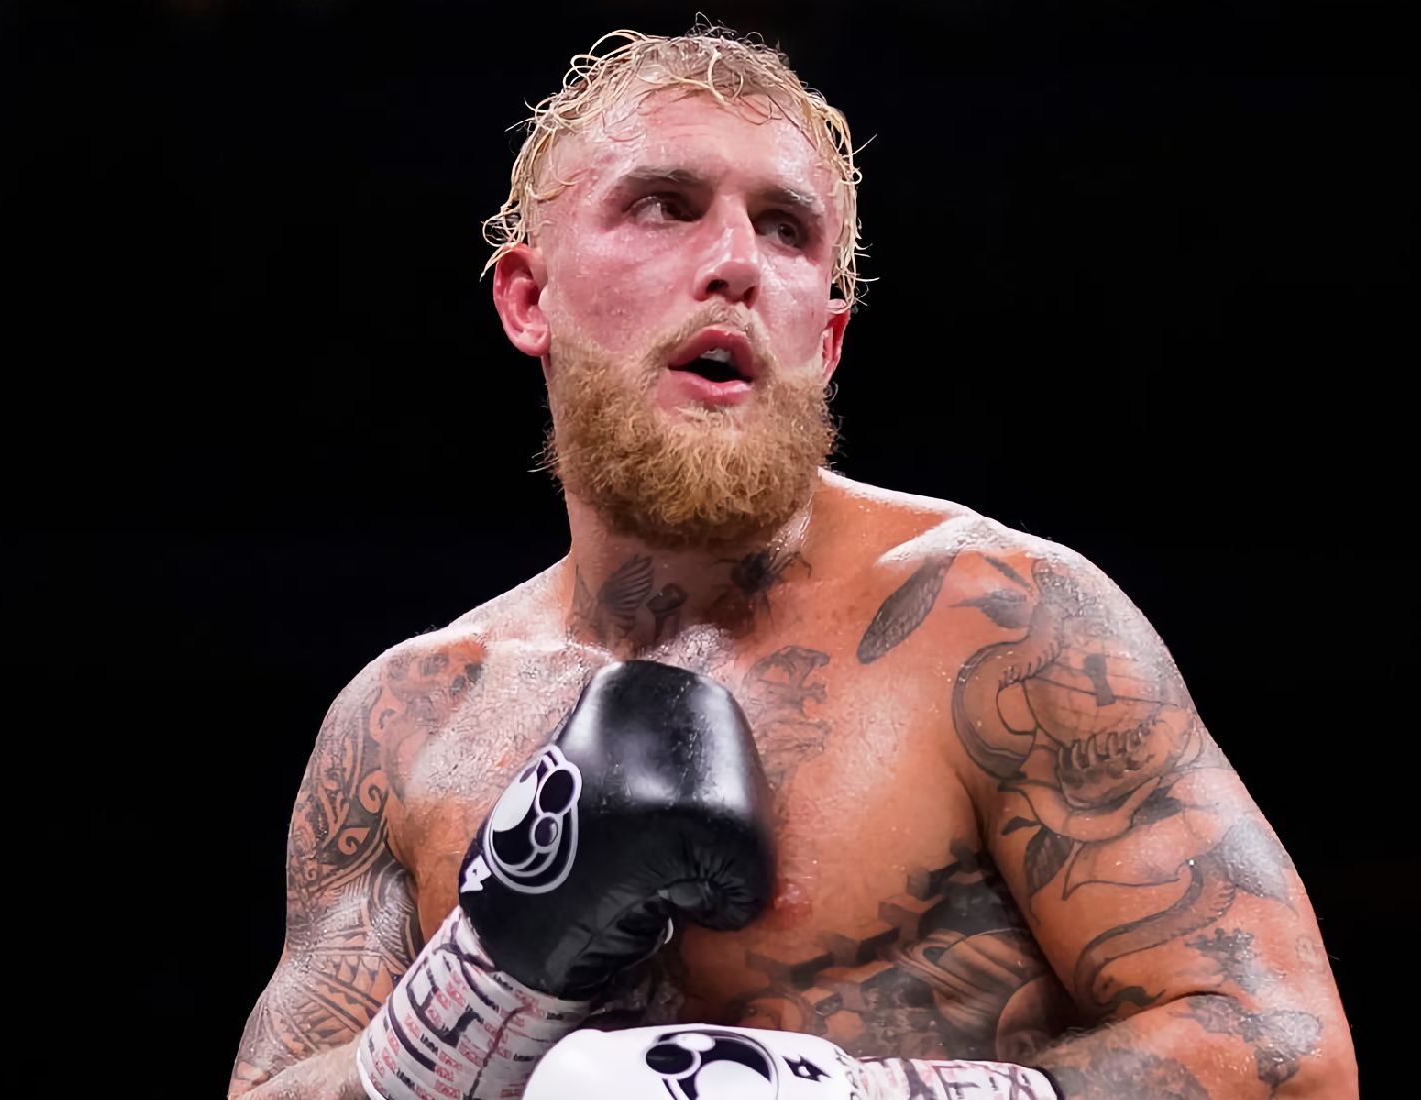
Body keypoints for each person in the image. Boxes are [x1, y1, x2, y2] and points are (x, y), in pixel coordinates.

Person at [228, 27, 1356, 1100]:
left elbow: (1289, 1054)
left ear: (825, 337)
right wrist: (481, 982)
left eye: (784, 229)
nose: (732, 264)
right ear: (529, 299)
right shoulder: (405, 717)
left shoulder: (994, 622)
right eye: (663, 205)